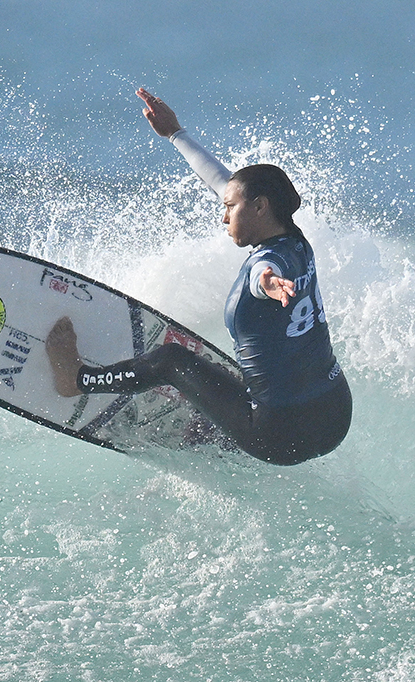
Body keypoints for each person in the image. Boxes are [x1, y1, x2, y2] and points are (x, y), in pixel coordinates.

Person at [46, 88, 352, 465]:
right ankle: (217, 429)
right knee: (239, 368)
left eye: (230, 208)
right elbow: (224, 183)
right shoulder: (298, 242)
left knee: (172, 361)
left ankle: (76, 380)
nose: (223, 216)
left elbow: (264, 272)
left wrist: (269, 283)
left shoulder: (272, 263)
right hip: (336, 416)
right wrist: (176, 134)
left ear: (259, 208)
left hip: (277, 435)